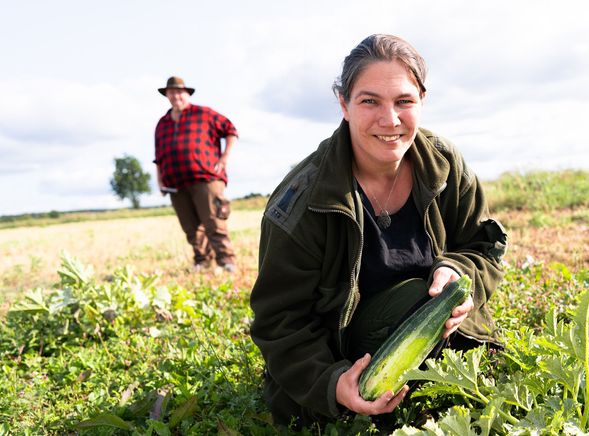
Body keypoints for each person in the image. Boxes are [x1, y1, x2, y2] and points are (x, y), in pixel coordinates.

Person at [249, 35, 507, 426]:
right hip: (347, 358)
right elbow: (279, 321)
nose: (390, 120)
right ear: (344, 105)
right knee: (418, 296)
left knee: (427, 297)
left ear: (422, 101)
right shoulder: (302, 201)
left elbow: (483, 247)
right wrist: (333, 383)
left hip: (432, 337)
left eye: (404, 101)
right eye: (370, 101)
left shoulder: (443, 163)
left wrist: (459, 271)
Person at [154, 76, 239, 273]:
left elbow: (231, 130)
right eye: (171, 92)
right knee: (191, 228)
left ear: (187, 93)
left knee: (213, 222)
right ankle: (202, 261)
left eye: (179, 92)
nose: (175, 96)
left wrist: (224, 157)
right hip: (175, 183)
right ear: (167, 95)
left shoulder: (204, 114)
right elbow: (158, 156)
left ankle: (227, 262)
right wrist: (159, 180)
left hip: (206, 178)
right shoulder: (162, 123)